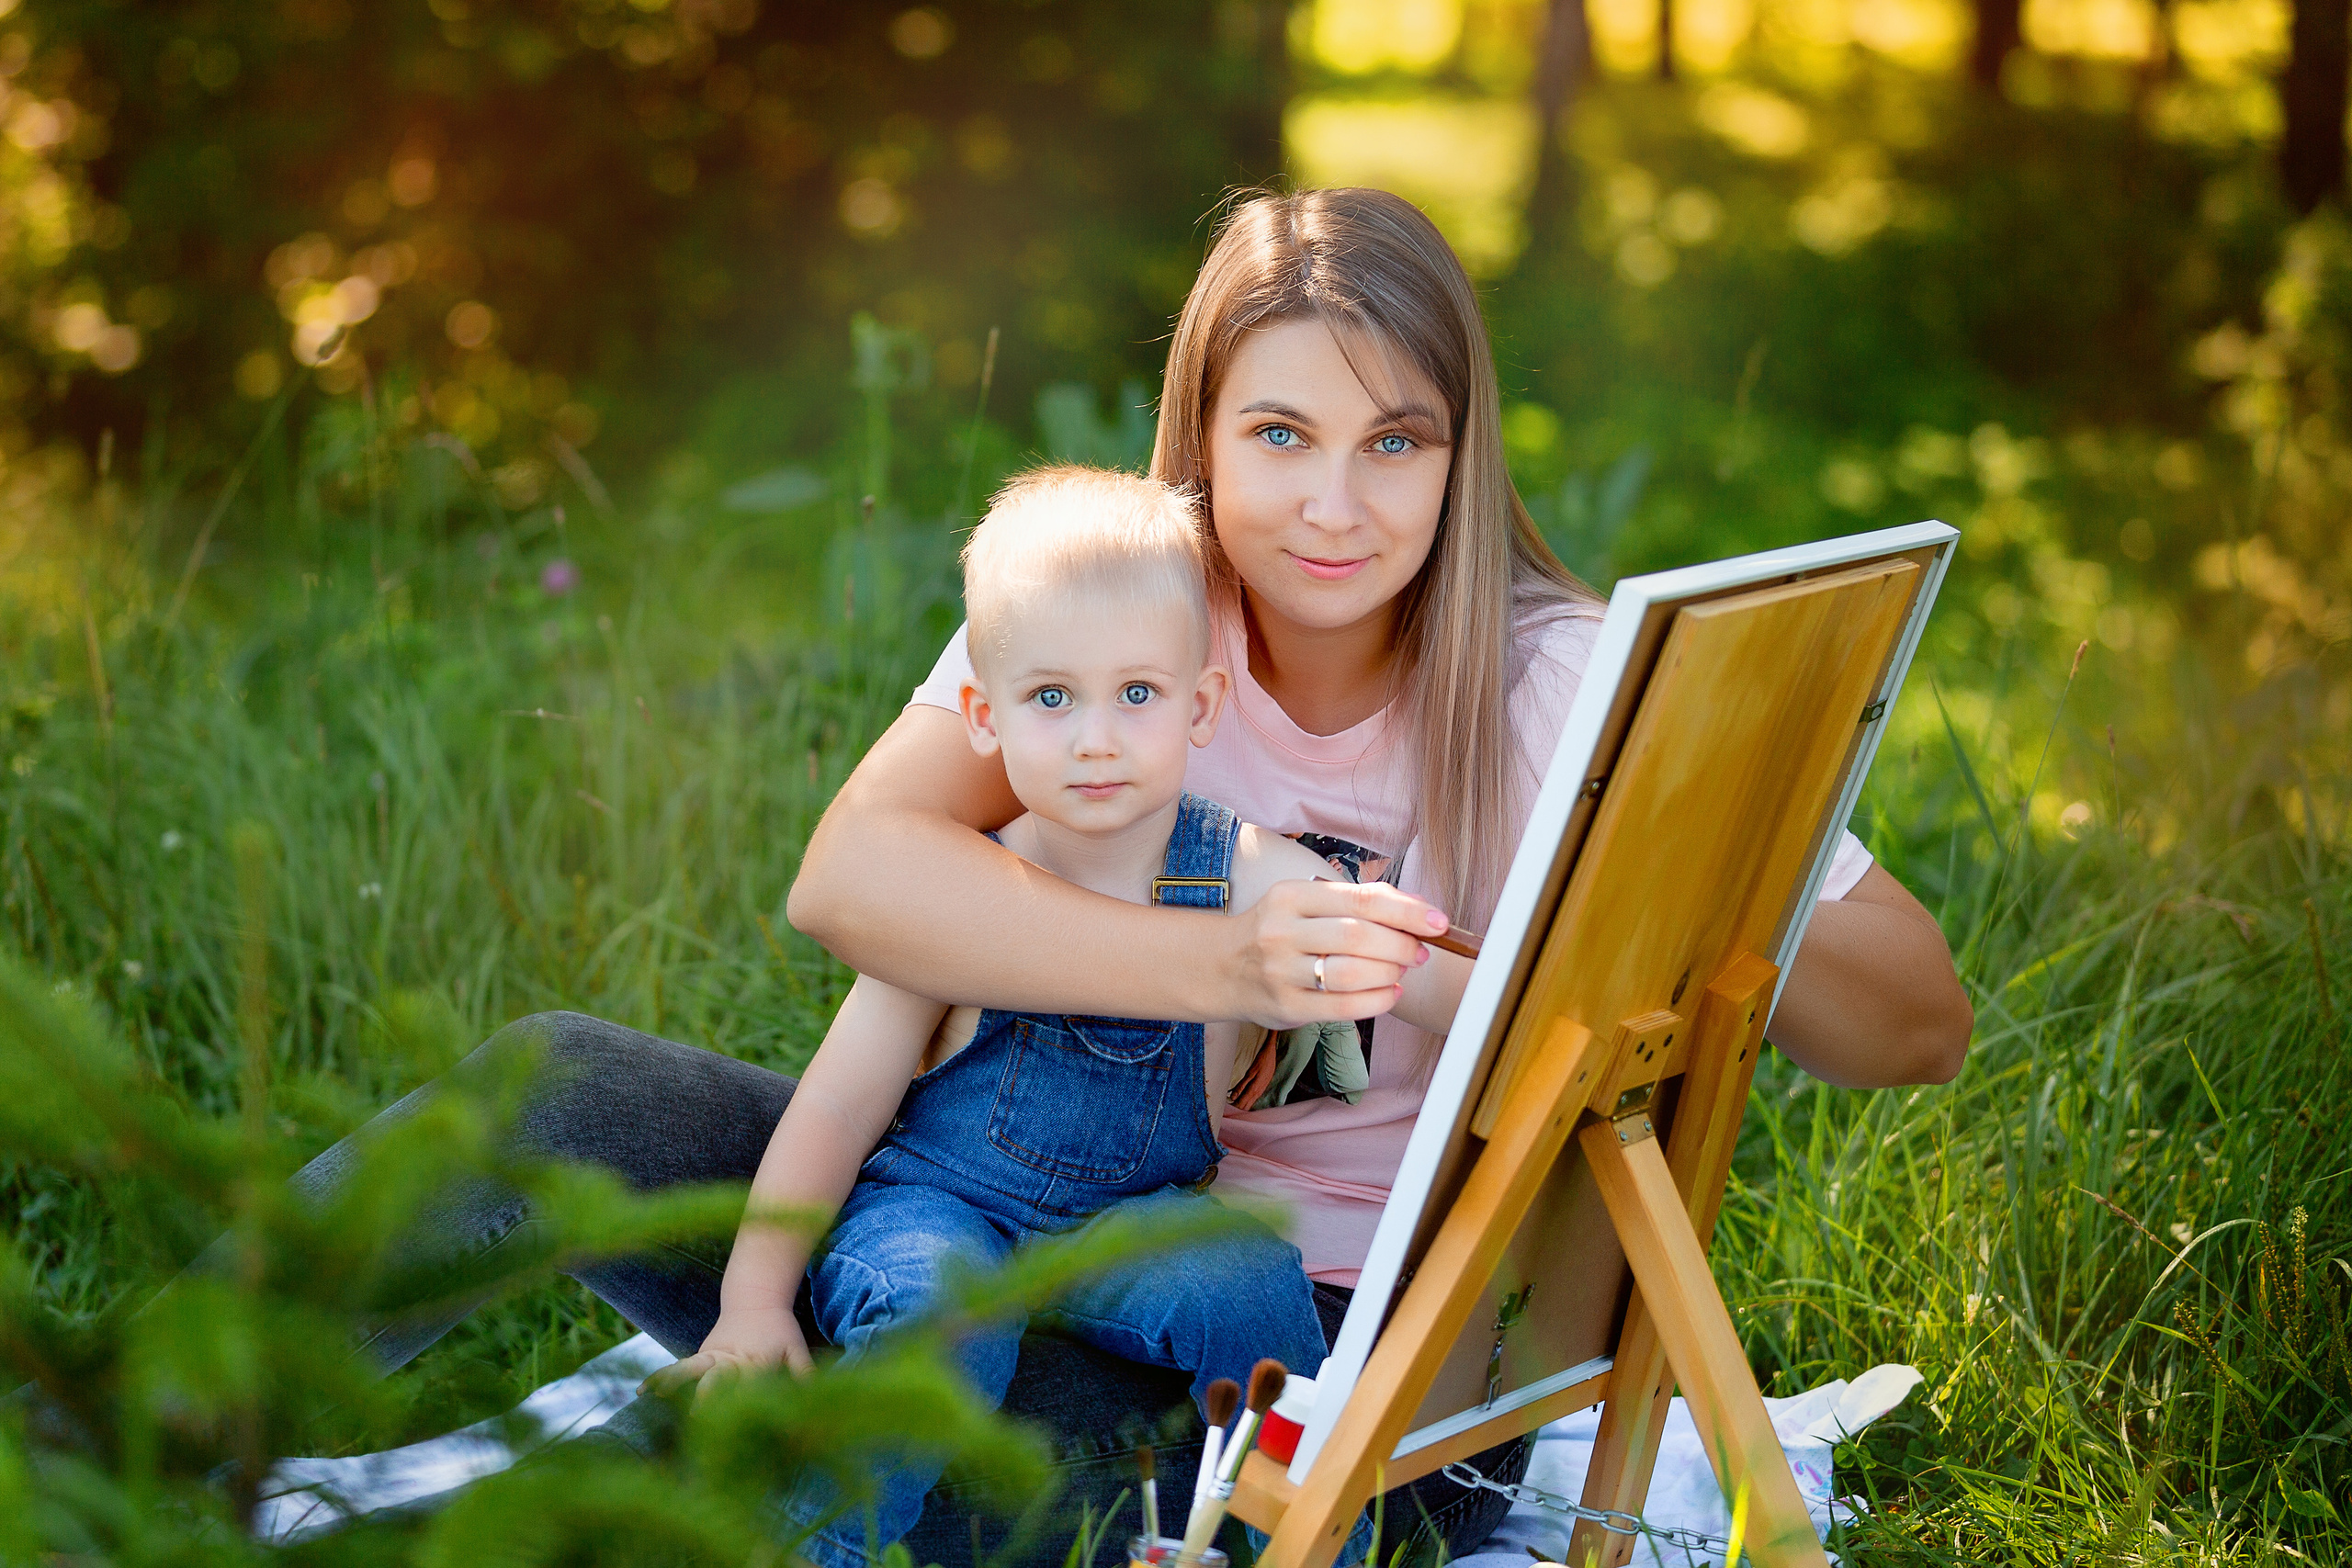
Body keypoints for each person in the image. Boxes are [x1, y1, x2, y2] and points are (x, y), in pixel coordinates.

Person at [653, 466, 1412, 1568]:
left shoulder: (1238, 869)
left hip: (1120, 1230)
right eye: (1051, 699)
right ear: (984, 714)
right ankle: (820, 1546)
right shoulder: (957, 902)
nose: (1094, 739)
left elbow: (1388, 943)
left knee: (1246, 1276)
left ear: (1200, 705)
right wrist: (753, 1303)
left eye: (1136, 696)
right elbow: (835, 1106)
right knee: (937, 1308)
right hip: (937, 1213)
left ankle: (1295, 1537)